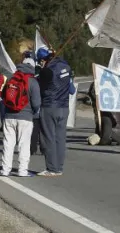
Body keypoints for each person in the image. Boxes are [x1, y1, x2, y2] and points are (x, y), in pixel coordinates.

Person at [37, 48, 75, 176]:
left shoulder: (47, 71)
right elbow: (72, 90)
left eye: (40, 61)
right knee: (60, 139)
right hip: (64, 107)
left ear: (43, 60)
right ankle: (59, 168)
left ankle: (51, 169)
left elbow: (40, 89)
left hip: (50, 106)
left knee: (48, 138)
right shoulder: (66, 67)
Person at [1, 60, 41, 177]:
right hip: (26, 117)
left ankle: (5, 170)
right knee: (24, 144)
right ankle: (22, 171)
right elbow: (37, 103)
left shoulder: (11, 78)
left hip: (9, 116)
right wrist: (32, 112)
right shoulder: (33, 81)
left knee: (8, 144)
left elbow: (3, 96)